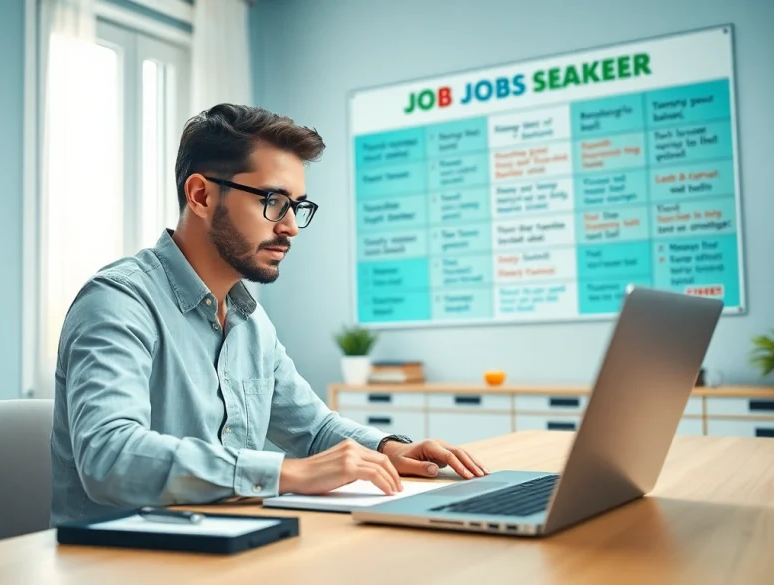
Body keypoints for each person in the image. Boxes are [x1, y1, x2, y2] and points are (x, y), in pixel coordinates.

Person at [49, 103, 489, 525]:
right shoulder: (118, 301)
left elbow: (312, 429)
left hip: (226, 544)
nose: (290, 226)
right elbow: (109, 456)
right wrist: (287, 473)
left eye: (297, 206)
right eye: (274, 201)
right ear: (201, 195)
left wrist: (387, 449)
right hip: (118, 561)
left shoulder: (249, 318)